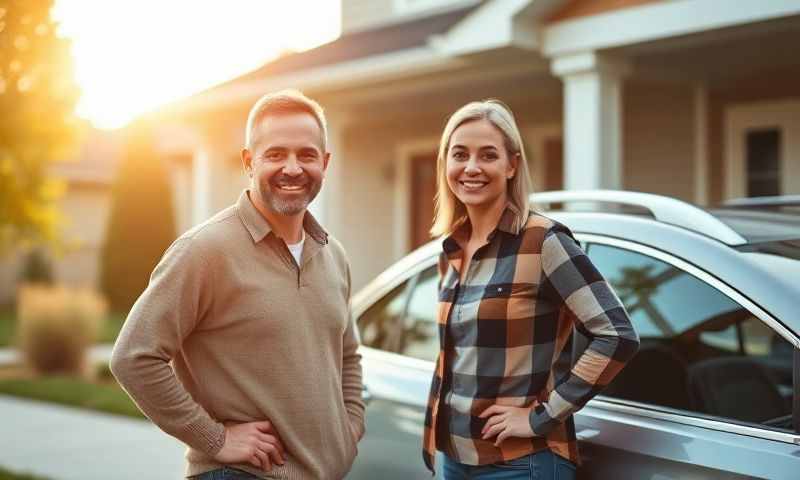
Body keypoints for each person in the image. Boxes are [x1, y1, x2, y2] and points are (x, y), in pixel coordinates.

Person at [110, 90, 364, 480]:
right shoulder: (204, 250)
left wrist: (350, 427)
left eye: (307, 154)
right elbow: (134, 356)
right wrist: (214, 439)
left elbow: (347, 354)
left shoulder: (333, 255)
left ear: (325, 163)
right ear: (249, 162)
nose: (293, 168)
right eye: (276, 154)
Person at [421, 100, 640, 479]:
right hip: (454, 458)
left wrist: (541, 416)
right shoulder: (452, 248)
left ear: (512, 165)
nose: (472, 167)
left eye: (488, 155)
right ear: (446, 164)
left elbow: (616, 334)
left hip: (523, 463)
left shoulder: (543, 241)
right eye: (460, 155)